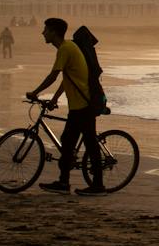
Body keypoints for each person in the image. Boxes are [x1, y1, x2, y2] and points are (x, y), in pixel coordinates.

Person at [26, 16, 105, 196]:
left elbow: (54, 76)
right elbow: (68, 78)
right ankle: (63, 182)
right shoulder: (68, 48)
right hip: (78, 105)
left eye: (46, 30)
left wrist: (35, 92)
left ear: (54, 32)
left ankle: (97, 185)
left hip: (84, 105)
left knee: (89, 143)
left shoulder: (65, 49)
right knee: (68, 141)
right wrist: (54, 99)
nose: (43, 33)